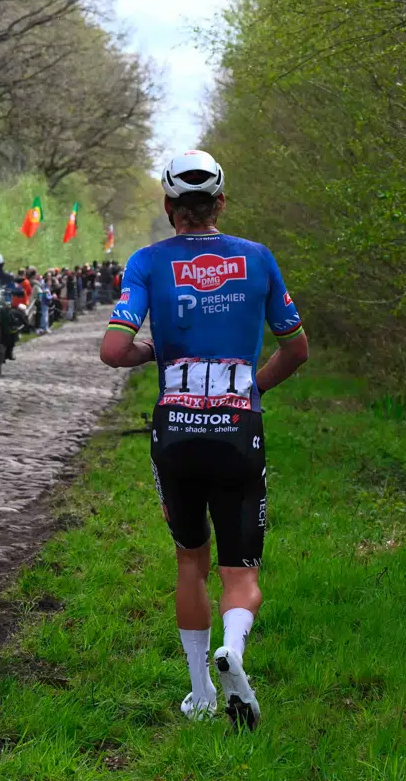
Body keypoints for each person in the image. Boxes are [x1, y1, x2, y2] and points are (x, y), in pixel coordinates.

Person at [99, 150, 309, 731]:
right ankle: (234, 654)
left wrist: (154, 352)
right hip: (239, 426)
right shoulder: (258, 259)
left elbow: (114, 350)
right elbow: (297, 349)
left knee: (189, 559)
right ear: (220, 203)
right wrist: (251, 389)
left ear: (169, 208)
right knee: (241, 571)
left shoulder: (146, 262)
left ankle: (199, 693)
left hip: (177, 428)